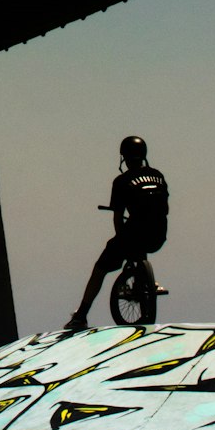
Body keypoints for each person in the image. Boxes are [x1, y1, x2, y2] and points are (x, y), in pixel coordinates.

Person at [65, 135, 168, 330]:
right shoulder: (158, 176)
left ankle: (80, 315)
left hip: (135, 233)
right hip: (158, 234)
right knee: (142, 231)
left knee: (101, 268)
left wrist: (121, 242)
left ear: (124, 157)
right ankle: (146, 281)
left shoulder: (122, 181)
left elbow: (118, 218)